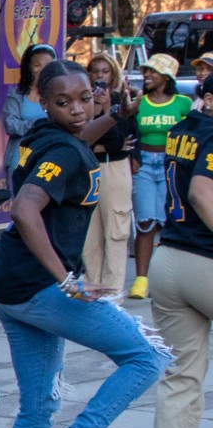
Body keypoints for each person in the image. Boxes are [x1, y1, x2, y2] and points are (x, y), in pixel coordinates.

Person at [0, 60, 168, 428]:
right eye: (64, 102)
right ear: (43, 102)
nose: (78, 109)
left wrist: (117, 118)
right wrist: (67, 281)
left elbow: (75, 144)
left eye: (86, 97)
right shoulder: (61, 149)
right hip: (39, 289)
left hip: (9, 288)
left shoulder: (47, 139)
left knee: (38, 406)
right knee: (147, 356)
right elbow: (24, 209)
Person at [142, 101, 213, 428]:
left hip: (169, 261)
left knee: (182, 374)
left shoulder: (184, 128)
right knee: (184, 373)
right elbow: (202, 191)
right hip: (206, 260)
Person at [128, 55, 193, 299]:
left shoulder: (183, 103)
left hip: (172, 165)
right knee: (146, 222)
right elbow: (131, 131)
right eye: (146, 71)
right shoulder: (139, 102)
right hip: (144, 164)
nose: (147, 75)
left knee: (169, 223)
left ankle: (167, 280)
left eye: (153, 72)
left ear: (167, 78)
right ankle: (141, 281)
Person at [81, 56, 136, 295]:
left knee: (115, 229)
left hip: (114, 169)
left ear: (113, 75)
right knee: (90, 233)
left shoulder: (122, 102)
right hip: (89, 168)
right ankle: (93, 287)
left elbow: (118, 145)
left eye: (105, 71)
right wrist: (94, 111)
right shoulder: (81, 104)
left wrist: (106, 111)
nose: (100, 76)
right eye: (94, 71)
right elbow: (81, 141)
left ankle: (113, 294)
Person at [3, 43, 57, 174]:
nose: (42, 70)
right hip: (21, 154)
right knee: (20, 192)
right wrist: (40, 124)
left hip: (51, 153)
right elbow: (10, 125)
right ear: (29, 67)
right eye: (37, 65)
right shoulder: (17, 94)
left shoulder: (58, 94)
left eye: (47, 65)